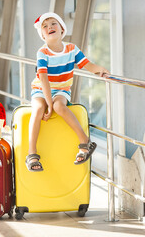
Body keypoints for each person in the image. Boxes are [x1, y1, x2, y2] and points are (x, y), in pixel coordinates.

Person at [26, 12, 109, 172]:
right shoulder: (42, 52)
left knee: (60, 107)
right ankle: (31, 153)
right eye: (45, 26)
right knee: (37, 110)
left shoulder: (71, 48)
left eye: (53, 23)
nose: (49, 27)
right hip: (41, 88)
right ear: (42, 35)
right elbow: (43, 80)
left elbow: (86, 64)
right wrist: (48, 105)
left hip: (62, 88)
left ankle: (84, 141)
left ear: (62, 28)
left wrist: (100, 69)